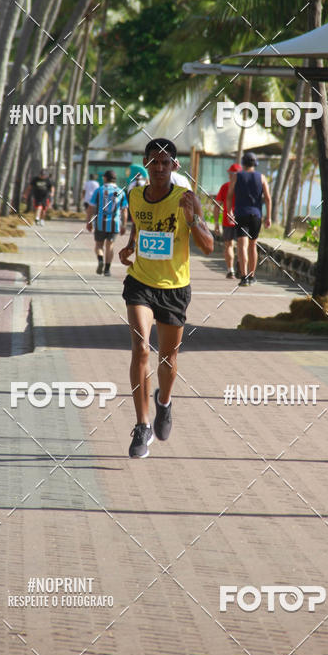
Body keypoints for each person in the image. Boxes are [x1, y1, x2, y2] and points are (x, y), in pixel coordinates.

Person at [119, 138, 213, 458]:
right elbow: (139, 225)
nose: (158, 168)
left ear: (174, 166)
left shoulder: (186, 199)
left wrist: (191, 221)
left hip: (174, 288)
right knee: (141, 347)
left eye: (164, 162)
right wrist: (131, 247)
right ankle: (142, 425)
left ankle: (164, 402)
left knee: (168, 359)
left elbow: (209, 245)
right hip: (140, 282)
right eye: (152, 162)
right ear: (145, 165)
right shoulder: (134, 195)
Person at [227, 152, 271, 286]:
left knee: (242, 246)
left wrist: (229, 212)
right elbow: (268, 198)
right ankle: (252, 276)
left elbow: (229, 195)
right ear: (255, 164)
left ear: (243, 163)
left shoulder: (236, 176)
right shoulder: (262, 177)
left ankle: (244, 276)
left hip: (241, 214)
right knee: (253, 245)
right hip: (256, 215)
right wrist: (268, 217)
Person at [86, 170, 128, 276]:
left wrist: (89, 222)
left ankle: (100, 260)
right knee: (110, 246)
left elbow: (91, 207)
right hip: (115, 223)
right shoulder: (121, 191)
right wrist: (124, 225)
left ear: (105, 178)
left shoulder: (99, 190)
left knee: (99, 245)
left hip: (100, 222)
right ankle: (107, 270)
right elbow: (124, 210)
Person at [214, 163, 241, 278]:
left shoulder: (225, 187)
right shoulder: (245, 188)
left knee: (229, 245)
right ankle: (240, 267)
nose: (229, 175)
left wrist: (216, 223)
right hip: (242, 219)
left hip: (228, 220)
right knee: (242, 245)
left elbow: (217, 205)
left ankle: (231, 271)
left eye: (230, 173)